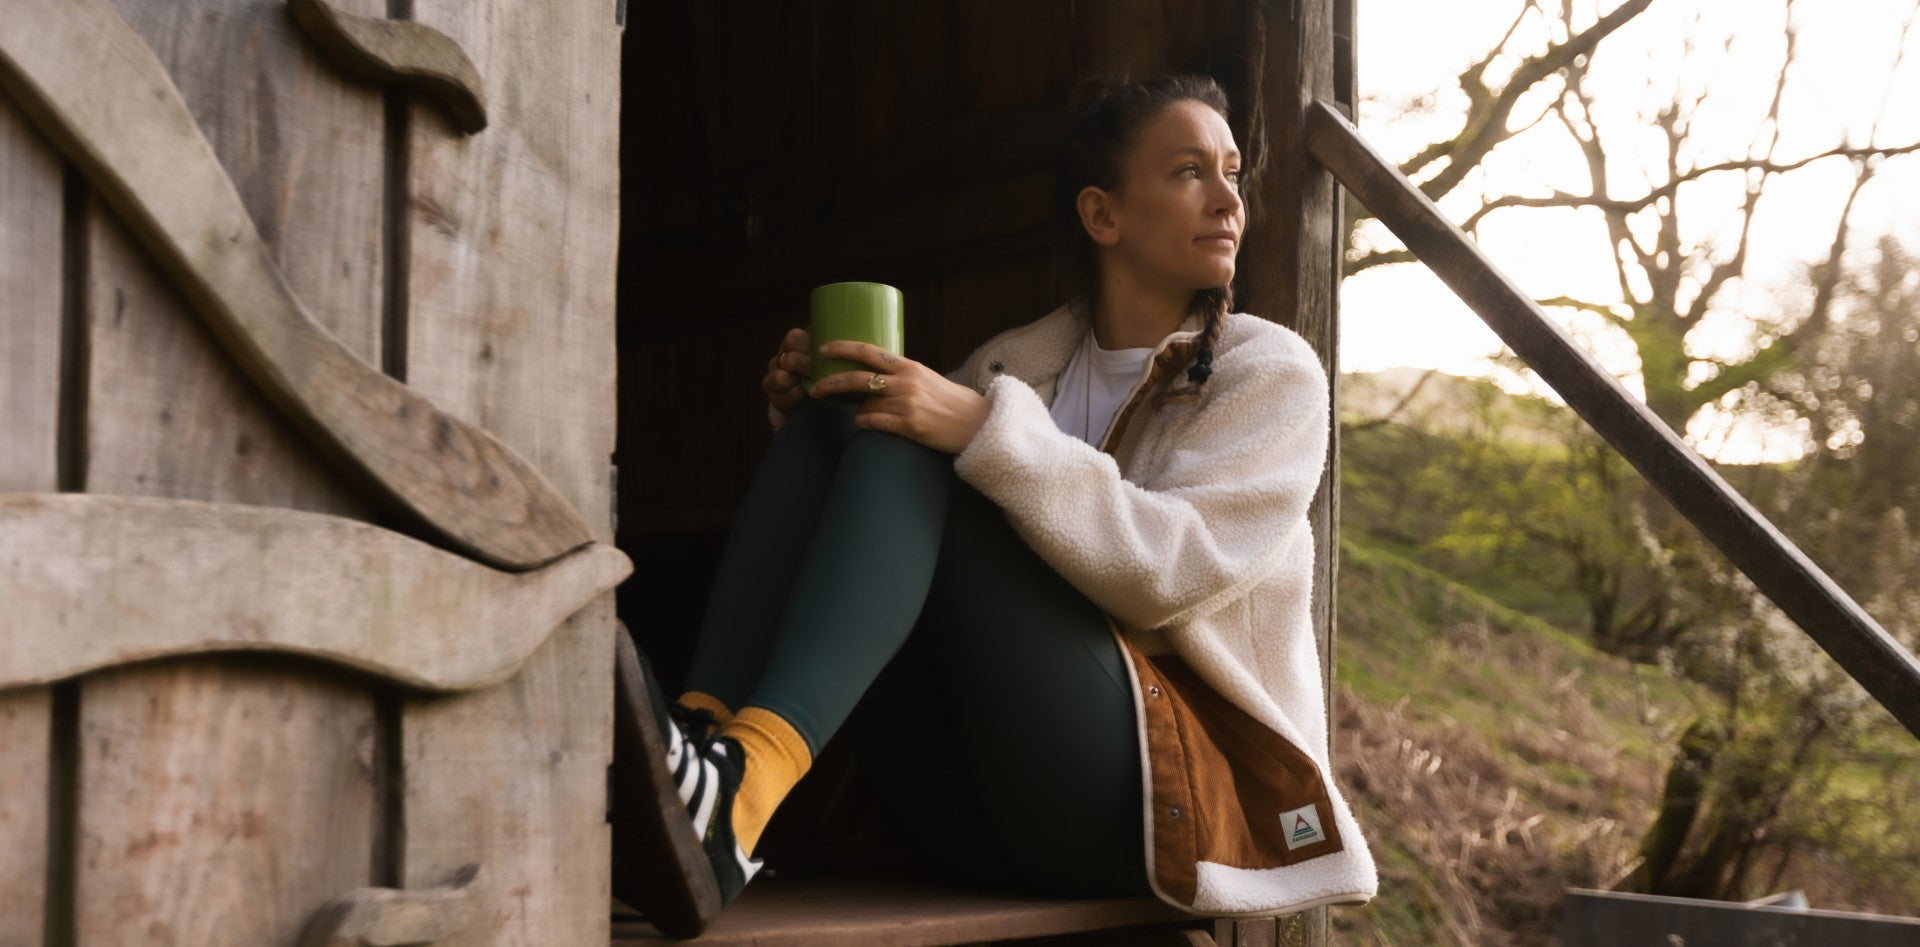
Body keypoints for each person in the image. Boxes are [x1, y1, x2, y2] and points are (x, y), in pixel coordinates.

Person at [618, 73, 1377, 938]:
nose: (1228, 198)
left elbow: (1170, 574)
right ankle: (702, 764)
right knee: (843, 421)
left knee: (909, 433)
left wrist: (980, 428)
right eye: (1187, 171)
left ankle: (744, 788)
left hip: (1154, 803)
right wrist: (822, 417)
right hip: (977, 802)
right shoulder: (1016, 365)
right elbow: (900, 486)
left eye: (1232, 173)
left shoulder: (1267, 372)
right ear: (1102, 215)